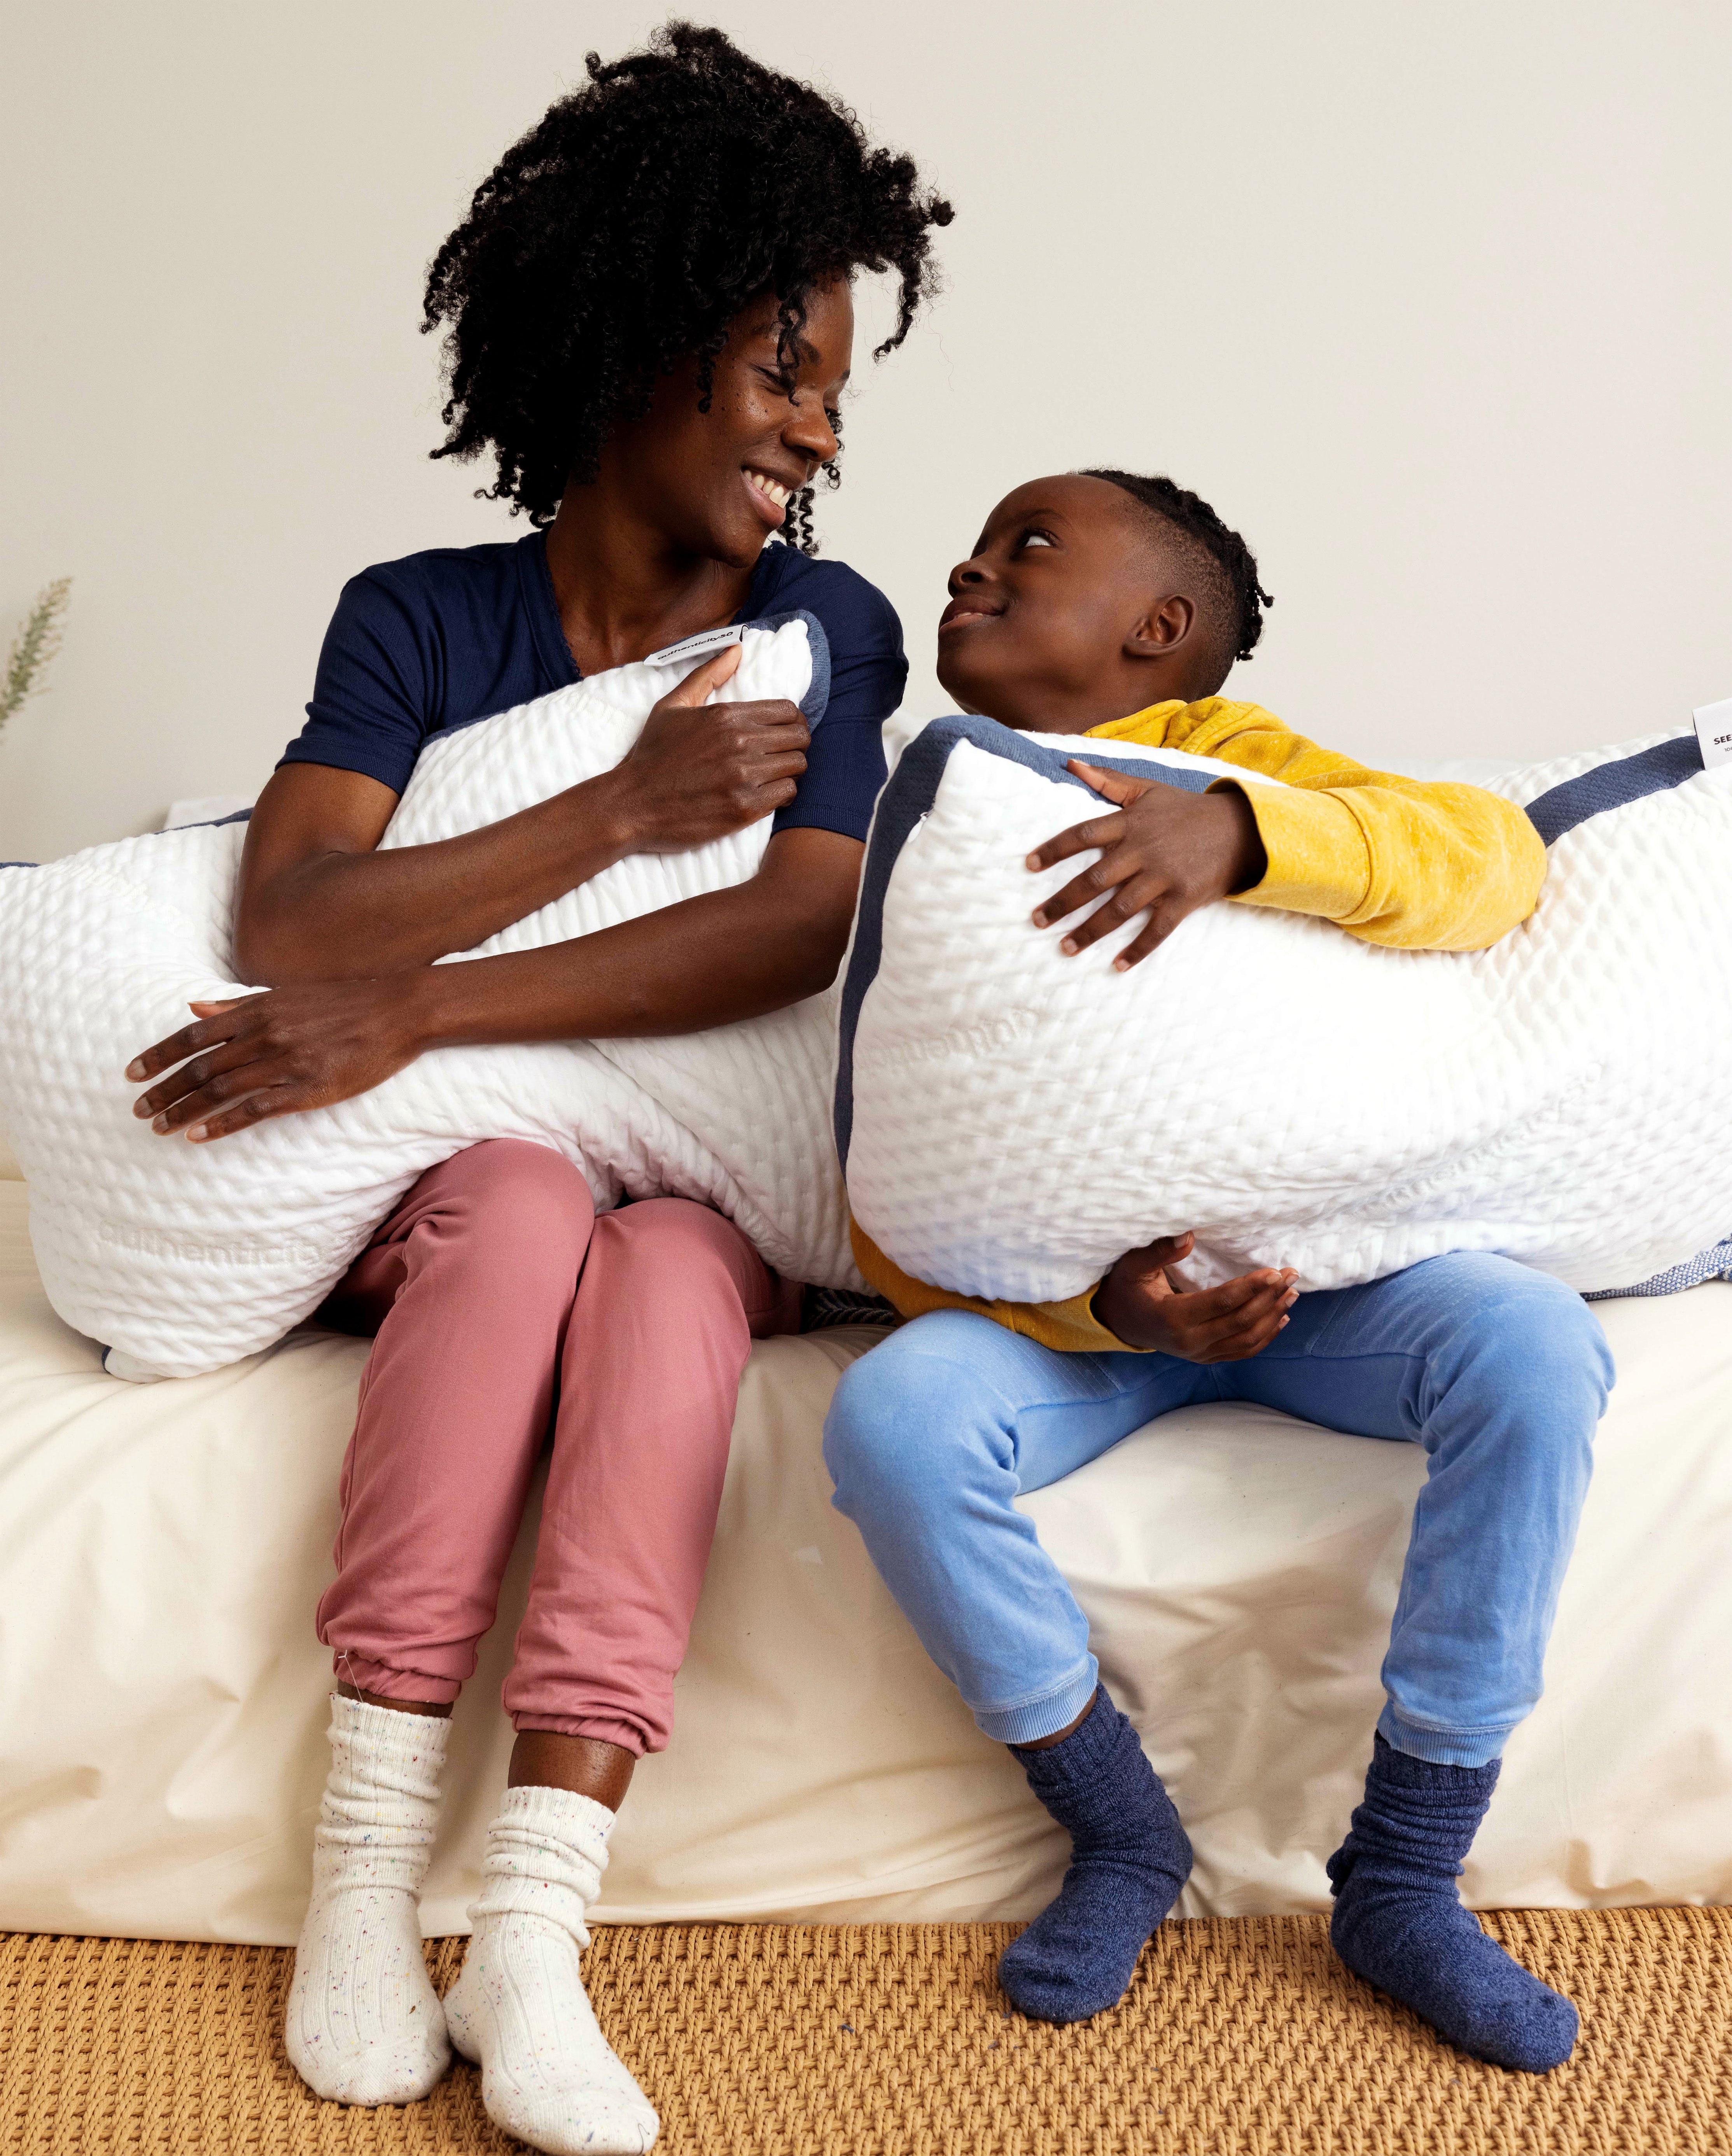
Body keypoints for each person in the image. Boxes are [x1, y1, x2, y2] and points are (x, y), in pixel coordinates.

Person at [124, 26, 949, 2153]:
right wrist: (613, 810)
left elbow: (790, 927)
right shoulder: (419, 619)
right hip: (457, 1189)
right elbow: (299, 922)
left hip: (693, 1182)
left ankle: (532, 1926)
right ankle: (358, 1874)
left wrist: (427, 1004)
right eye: (785, 369)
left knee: (665, 1268)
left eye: (838, 390)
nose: (816, 434)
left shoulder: (813, 624)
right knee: (505, 1205)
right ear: (639, 339)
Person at [824, 469, 1611, 2075]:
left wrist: (1241, 833)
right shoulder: (927, 821)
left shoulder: (1235, 763)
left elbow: (1490, 862)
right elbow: (898, 1186)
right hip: (1088, 1328)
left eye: (1027, 543)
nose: (969, 564)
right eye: (978, 542)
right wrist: (1100, 1306)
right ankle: (1117, 1828)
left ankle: (1401, 1874)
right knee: (894, 1419)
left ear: (1160, 632)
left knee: (1531, 1349)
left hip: (1329, 1294)